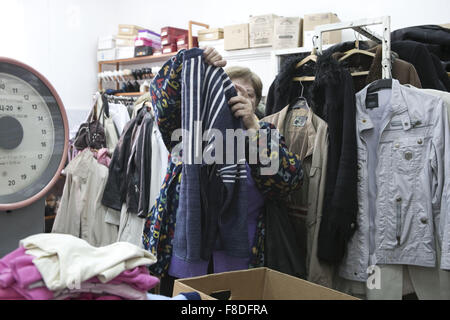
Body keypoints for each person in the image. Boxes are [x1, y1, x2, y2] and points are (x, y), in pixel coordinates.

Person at [143, 47, 304, 295]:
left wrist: (253, 128)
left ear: (256, 103)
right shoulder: (190, 131)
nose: (236, 97)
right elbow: (162, 101)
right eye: (230, 89)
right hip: (185, 255)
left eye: (247, 94)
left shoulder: (264, 133)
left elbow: (287, 181)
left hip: (240, 259)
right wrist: (188, 60)